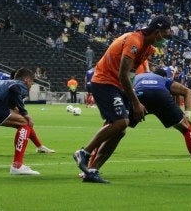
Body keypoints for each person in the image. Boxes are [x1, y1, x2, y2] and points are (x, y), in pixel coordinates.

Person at [73, 15, 173, 184]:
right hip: (104, 81)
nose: (166, 40)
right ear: (157, 33)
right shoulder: (135, 41)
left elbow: (131, 74)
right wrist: (135, 102)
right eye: (166, 35)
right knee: (121, 122)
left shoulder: (147, 48)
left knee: (120, 130)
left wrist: (132, 95)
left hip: (117, 85)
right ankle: (84, 152)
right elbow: (123, 74)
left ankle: (92, 170)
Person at [123, 71, 191, 178]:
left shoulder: (137, 77)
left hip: (139, 96)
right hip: (160, 95)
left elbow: (124, 90)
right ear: (164, 76)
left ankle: (97, 164)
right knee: (187, 129)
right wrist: (187, 116)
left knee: (116, 126)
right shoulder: (163, 80)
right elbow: (188, 91)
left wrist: (125, 111)